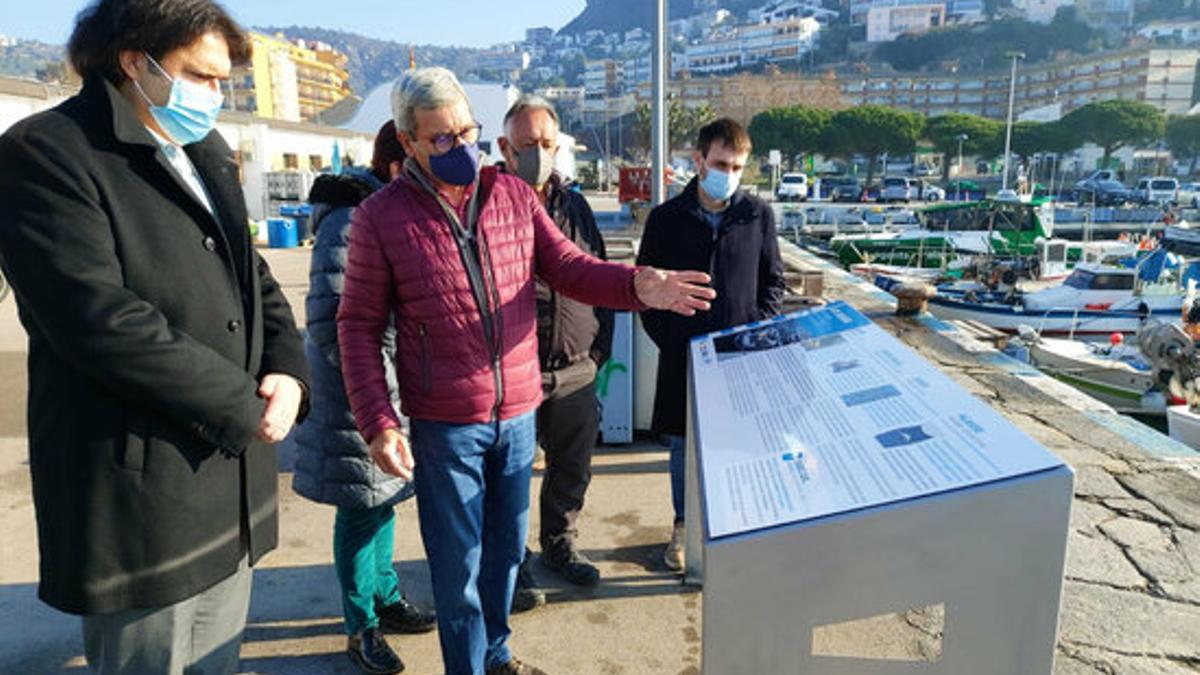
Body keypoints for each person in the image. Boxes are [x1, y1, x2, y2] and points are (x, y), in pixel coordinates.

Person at [337, 67, 715, 675]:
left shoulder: (511, 195)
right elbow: (355, 326)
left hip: (516, 413)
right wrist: (378, 420)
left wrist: (639, 285)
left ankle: (497, 655)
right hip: (446, 423)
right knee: (457, 563)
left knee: (507, 552)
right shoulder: (381, 217)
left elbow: (569, 266)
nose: (461, 146)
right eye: (442, 139)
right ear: (407, 142)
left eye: (468, 131)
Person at [0, 1, 310, 674]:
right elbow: (99, 320)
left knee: (217, 661)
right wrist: (241, 404)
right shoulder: (47, 152)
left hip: (225, 486)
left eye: (224, 81)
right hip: (141, 496)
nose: (215, 96)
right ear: (134, 61)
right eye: (200, 76)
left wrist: (289, 368)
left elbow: (251, 272)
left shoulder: (203, 149)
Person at [291, 120, 436, 675]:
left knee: (385, 498)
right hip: (357, 391)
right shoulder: (352, 217)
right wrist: (379, 385)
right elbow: (331, 320)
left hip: (388, 387)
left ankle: (386, 596)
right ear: (397, 164)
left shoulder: (385, 208)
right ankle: (361, 627)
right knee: (359, 507)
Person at [636, 117, 786, 572]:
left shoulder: (757, 215)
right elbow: (642, 290)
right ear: (699, 160)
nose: (730, 173)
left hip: (741, 359)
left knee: (738, 445)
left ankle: (730, 526)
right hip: (684, 356)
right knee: (682, 445)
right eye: (722, 163)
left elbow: (773, 284)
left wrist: (751, 333)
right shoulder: (665, 219)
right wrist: (672, 340)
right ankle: (684, 525)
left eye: (739, 166)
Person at [498, 96, 611, 600]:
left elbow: (601, 278)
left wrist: (597, 353)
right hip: (512, 374)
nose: (538, 154)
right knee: (508, 476)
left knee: (572, 466)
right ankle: (510, 562)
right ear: (505, 148)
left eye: (546, 144)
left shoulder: (576, 205)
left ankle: (559, 544)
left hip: (575, 370)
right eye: (527, 145)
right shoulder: (488, 206)